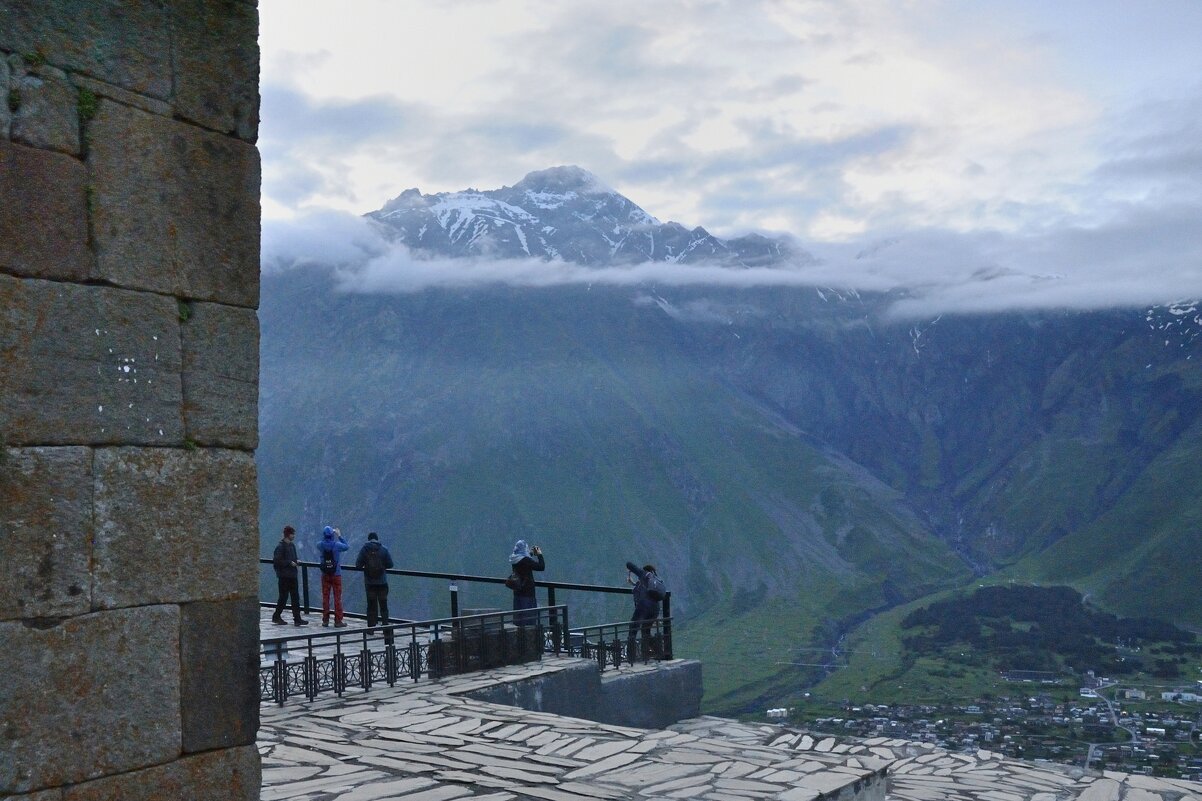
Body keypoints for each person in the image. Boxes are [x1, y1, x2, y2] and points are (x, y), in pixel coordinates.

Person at [354, 531, 395, 641]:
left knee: (371, 606)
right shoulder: (384, 549)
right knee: (384, 606)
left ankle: (371, 628)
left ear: (369, 539)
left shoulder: (364, 549)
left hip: (370, 583)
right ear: (377, 539)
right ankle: (386, 628)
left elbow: (358, 565)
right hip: (382, 582)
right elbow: (390, 564)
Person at [271, 525, 308, 626]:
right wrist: (289, 563)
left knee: (295, 597)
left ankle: (297, 618)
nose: (294, 536)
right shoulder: (280, 547)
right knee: (283, 597)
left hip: (292, 576)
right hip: (284, 577)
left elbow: (292, 558)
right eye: (292, 534)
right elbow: (277, 561)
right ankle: (276, 616)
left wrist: (296, 561)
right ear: (288, 535)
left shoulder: (292, 546)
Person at [625, 561, 662, 661]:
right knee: (646, 631)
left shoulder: (643, 574)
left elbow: (630, 565)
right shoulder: (655, 579)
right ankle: (657, 651)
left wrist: (629, 568)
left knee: (633, 628)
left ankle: (631, 656)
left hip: (643, 607)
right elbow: (639, 586)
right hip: (655, 609)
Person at [318, 525, 350, 627]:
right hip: (336, 574)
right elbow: (346, 546)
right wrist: (339, 535)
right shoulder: (337, 545)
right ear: (332, 535)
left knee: (325, 597)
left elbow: (319, 544)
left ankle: (325, 619)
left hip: (325, 574)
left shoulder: (320, 545)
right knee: (337, 597)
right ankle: (338, 620)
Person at [508, 539, 545, 626]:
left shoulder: (514, 559)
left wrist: (530, 553)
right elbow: (541, 567)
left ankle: (519, 635)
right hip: (527, 593)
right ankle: (528, 637)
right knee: (528, 618)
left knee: (519, 616)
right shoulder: (526, 560)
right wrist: (539, 554)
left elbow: (524, 560)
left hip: (517, 592)